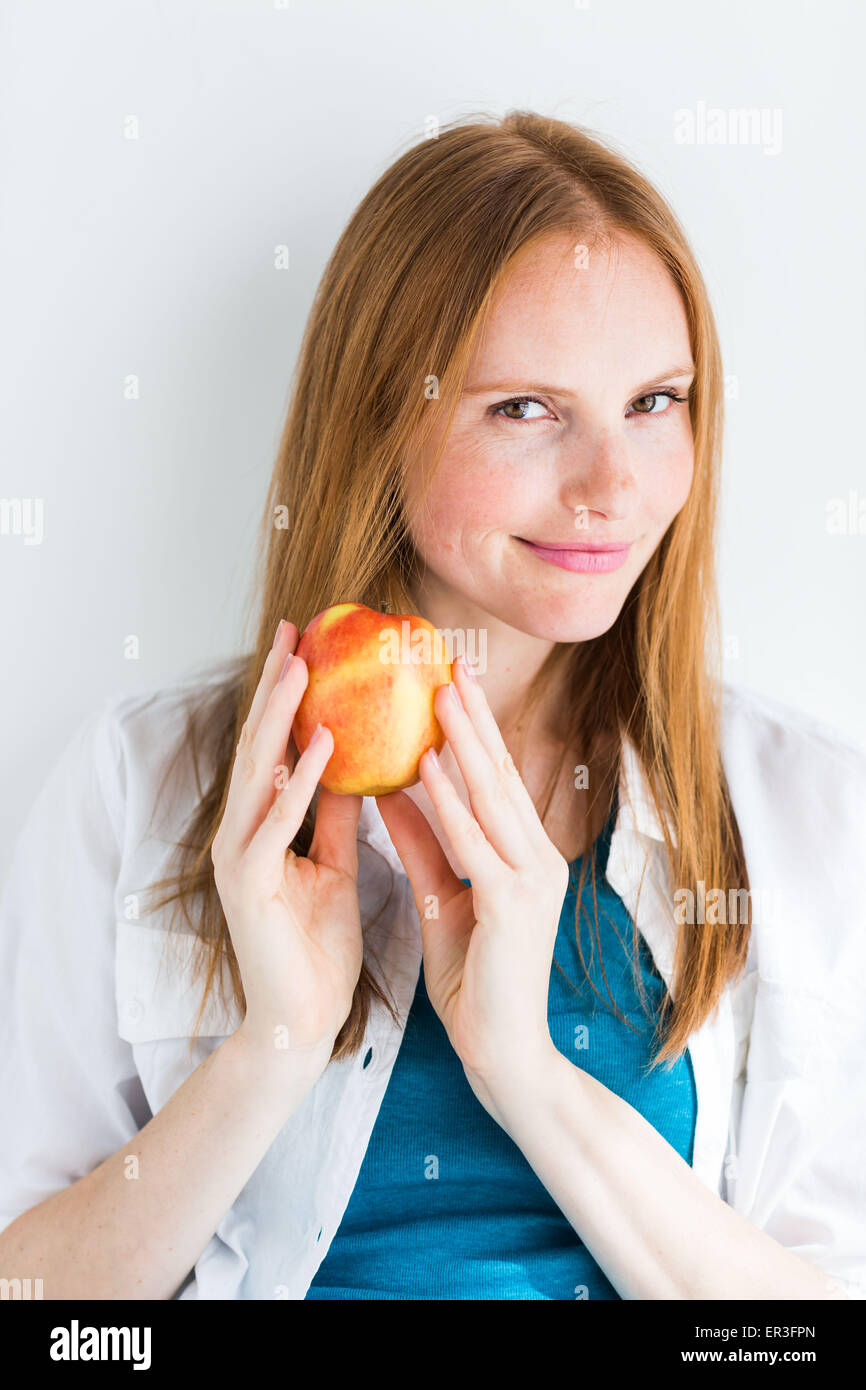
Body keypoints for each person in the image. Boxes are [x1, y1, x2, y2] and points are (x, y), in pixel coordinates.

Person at [1, 111, 864, 1301]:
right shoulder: (130, 784)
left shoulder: (807, 807)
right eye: (524, 408)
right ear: (378, 415)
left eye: (655, 402)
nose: (613, 486)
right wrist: (275, 1045)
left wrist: (526, 1072)